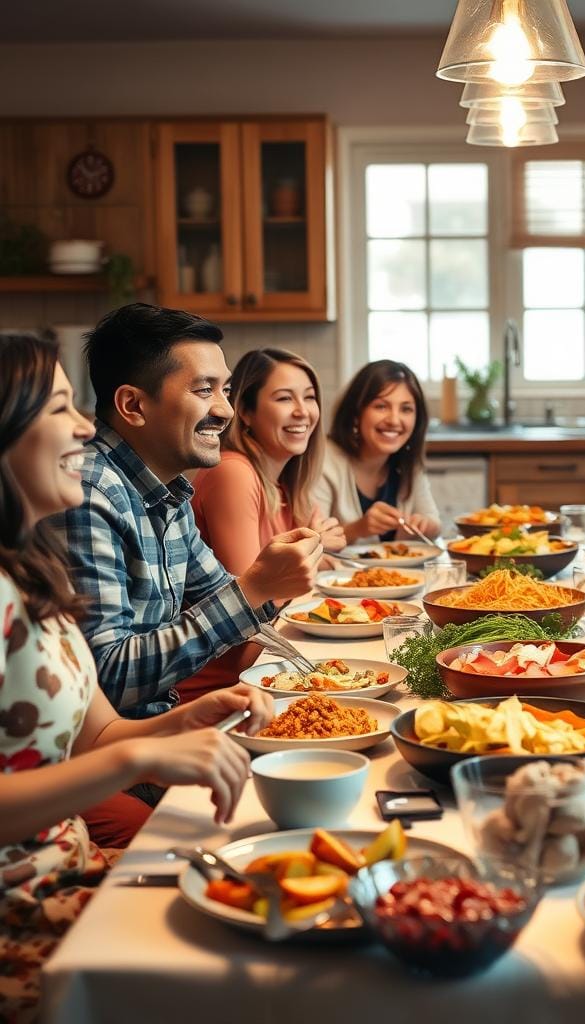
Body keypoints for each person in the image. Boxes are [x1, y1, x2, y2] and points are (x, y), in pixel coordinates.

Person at [0, 334, 273, 1021]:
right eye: (60, 408)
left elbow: (101, 731)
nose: (87, 428)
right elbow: (117, 748)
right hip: (21, 917)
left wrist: (179, 725)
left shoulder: (31, 575)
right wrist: (140, 755)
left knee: (273, 916)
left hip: (66, 872)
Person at [49, 303, 324, 722]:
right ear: (133, 406)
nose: (225, 411)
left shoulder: (167, 492)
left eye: (226, 390)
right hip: (123, 751)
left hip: (165, 725)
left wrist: (268, 587)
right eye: (203, 390)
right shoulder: (90, 492)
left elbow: (227, 602)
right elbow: (108, 679)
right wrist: (256, 588)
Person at [182, 348, 346, 702]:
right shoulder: (233, 474)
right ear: (245, 411)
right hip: (220, 689)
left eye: (310, 397)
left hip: (262, 670)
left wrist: (311, 558)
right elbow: (249, 616)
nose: (303, 412)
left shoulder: (285, 485)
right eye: (285, 398)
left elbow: (307, 570)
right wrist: (313, 556)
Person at [315, 359, 440, 543]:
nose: (394, 420)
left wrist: (424, 525)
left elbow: (434, 524)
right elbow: (313, 541)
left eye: (406, 409)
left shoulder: (408, 461)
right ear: (356, 412)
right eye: (381, 406)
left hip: (398, 572)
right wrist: (358, 528)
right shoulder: (322, 462)